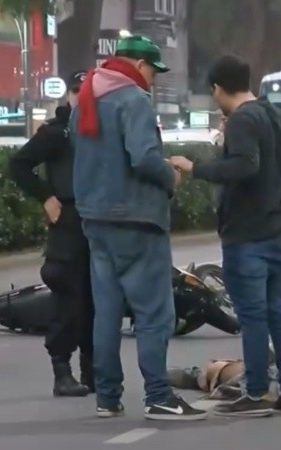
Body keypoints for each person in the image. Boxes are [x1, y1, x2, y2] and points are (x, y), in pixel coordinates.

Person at [70, 34, 206, 421]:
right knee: (153, 314)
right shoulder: (133, 100)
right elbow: (144, 157)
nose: (153, 79)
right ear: (140, 67)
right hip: (136, 219)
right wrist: (170, 177)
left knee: (107, 313)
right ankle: (159, 396)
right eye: (153, 71)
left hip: (94, 218)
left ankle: (108, 397)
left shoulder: (86, 99)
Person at [169, 54, 281, 417]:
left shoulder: (244, 119)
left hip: (249, 233)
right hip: (278, 229)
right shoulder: (273, 114)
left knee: (253, 316)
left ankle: (256, 391)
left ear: (217, 88)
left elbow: (246, 165)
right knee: (277, 311)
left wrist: (196, 168)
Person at [8, 70, 94, 398]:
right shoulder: (58, 133)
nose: (80, 97)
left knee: (96, 299)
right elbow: (19, 165)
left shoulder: (102, 131)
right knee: (67, 295)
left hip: (98, 220)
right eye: (76, 91)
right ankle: (62, 371)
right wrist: (46, 196)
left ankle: (93, 370)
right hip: (69, 220)